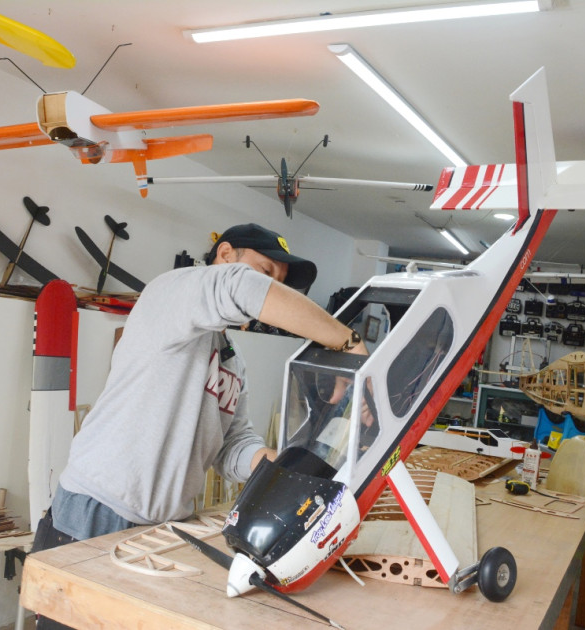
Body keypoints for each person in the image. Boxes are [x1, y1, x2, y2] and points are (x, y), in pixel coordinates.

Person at [31, 222, 366, 628]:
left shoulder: (232, 361)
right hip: (94, 512)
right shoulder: (172, 291)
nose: (272, 288)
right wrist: (346, 343)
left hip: (160, 527)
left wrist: (288, 471)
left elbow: (232, 447)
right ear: (224, 256)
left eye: (280, 283)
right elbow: (238, 289)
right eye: (264, 272)